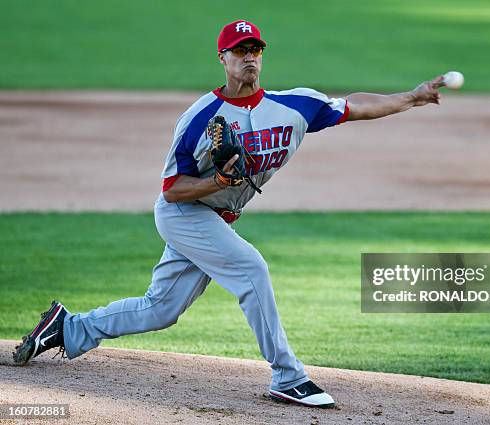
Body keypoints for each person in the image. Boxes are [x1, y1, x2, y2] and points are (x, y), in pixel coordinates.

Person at [13, 19, 444, 408]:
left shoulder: (293, 106)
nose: (249, 57)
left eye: (255, 49)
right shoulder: (201, 116)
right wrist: (216, 183)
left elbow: (354, 107)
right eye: (239, 51)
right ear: (223, 58)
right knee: (251, 268)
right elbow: (173, 191)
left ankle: (68, 328)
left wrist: (412, 97)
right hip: (185, 214)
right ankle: (288, 376)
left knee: (160, 308)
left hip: (215, 219)